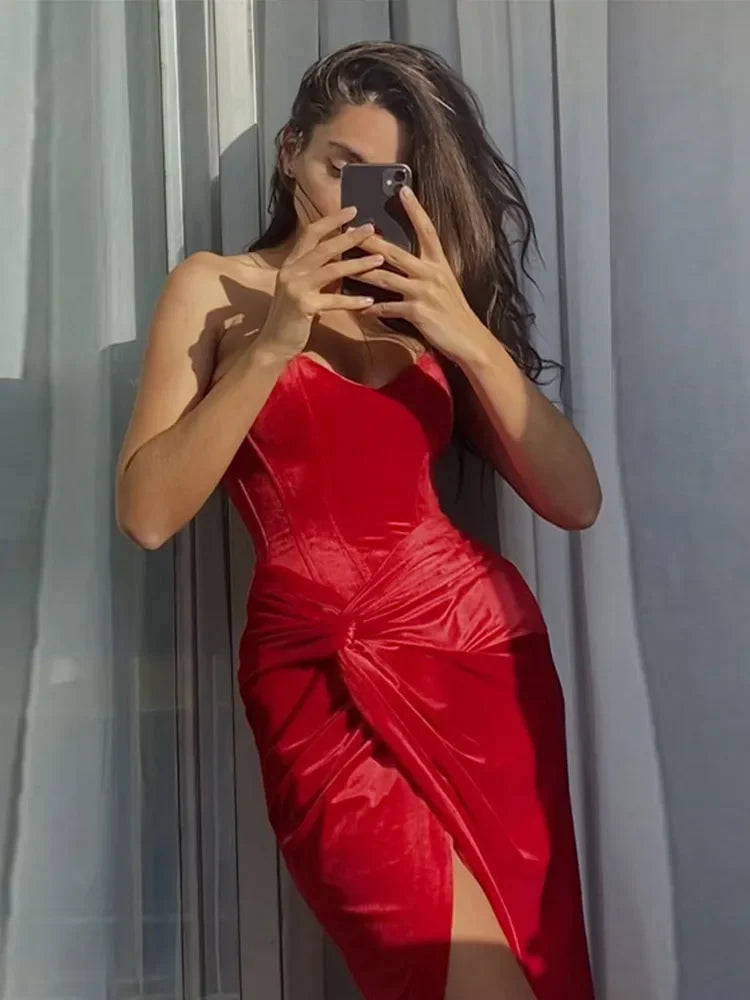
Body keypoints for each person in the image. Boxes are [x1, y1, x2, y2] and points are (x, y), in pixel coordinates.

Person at [115, 40, 601, 1000]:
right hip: (323, 686)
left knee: (535, 976)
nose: (355, 198)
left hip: (482, 664)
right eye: (340, 165)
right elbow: (147, 514)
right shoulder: (214, 286)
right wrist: (274, 343)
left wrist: (464, 334)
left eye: (385, 179)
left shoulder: (418, 306)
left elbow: (574, 499)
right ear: (290, 151)